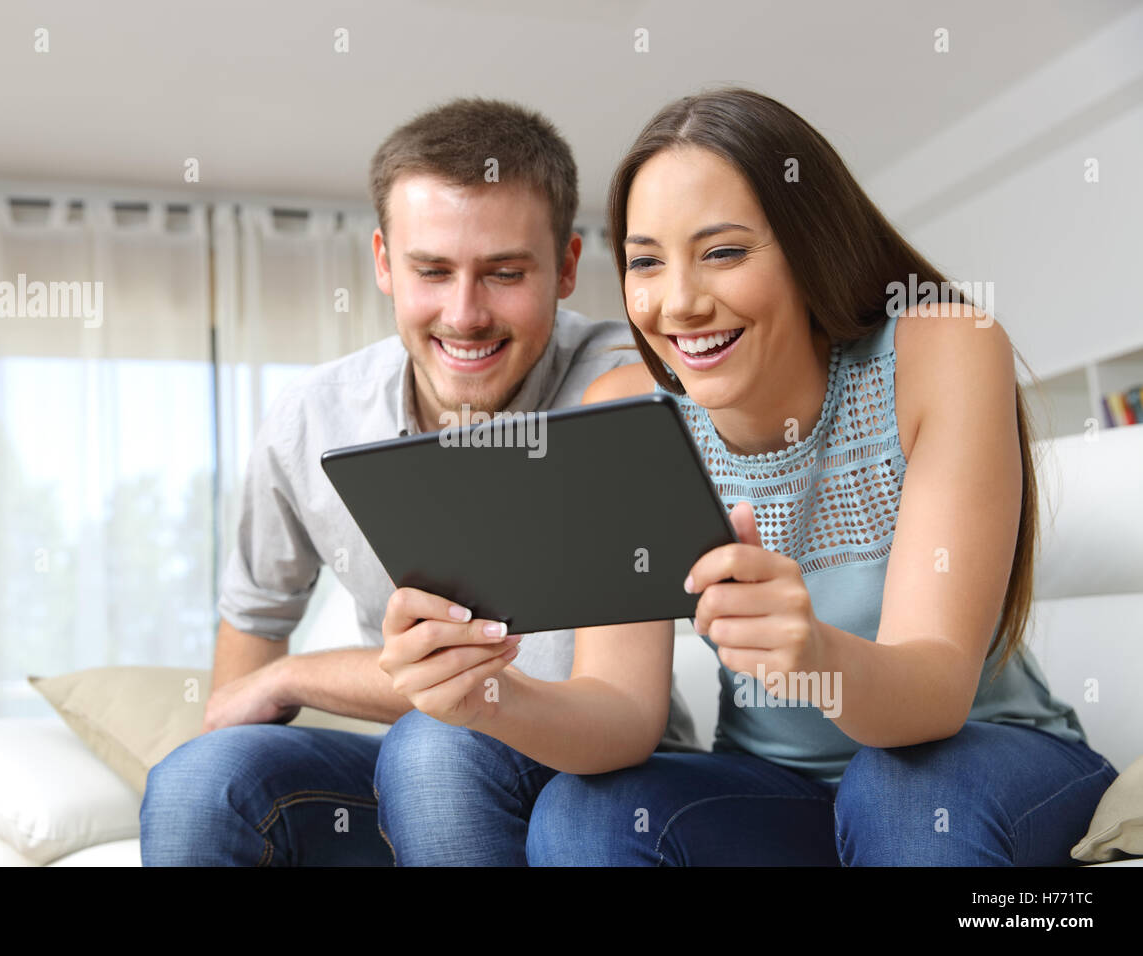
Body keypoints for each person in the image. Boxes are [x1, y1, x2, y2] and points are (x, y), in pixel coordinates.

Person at [374, 87, 1118, 866]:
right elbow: (623, 715)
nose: (679, 303)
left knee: (897, 794)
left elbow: (935, 692)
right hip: (776, 791)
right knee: (586, 816)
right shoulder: (627, 408)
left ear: (809, 247)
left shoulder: (941, 351)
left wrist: (817, 659)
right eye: (646, 263)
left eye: (723, 252)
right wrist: (487, 695)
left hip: (982, 761)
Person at [138, 96, 699, 866]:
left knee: (437, 744)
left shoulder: (623, 394)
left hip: (594, 769)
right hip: (420, 766)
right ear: (382, 262)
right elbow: (246, 663)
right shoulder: (311, 419)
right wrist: (265, 690)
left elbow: (522, 681)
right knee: (198, 783)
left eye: (504, 273)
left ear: (568, 267)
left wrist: (302, 674)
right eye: (431, 271)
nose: (464, 315)